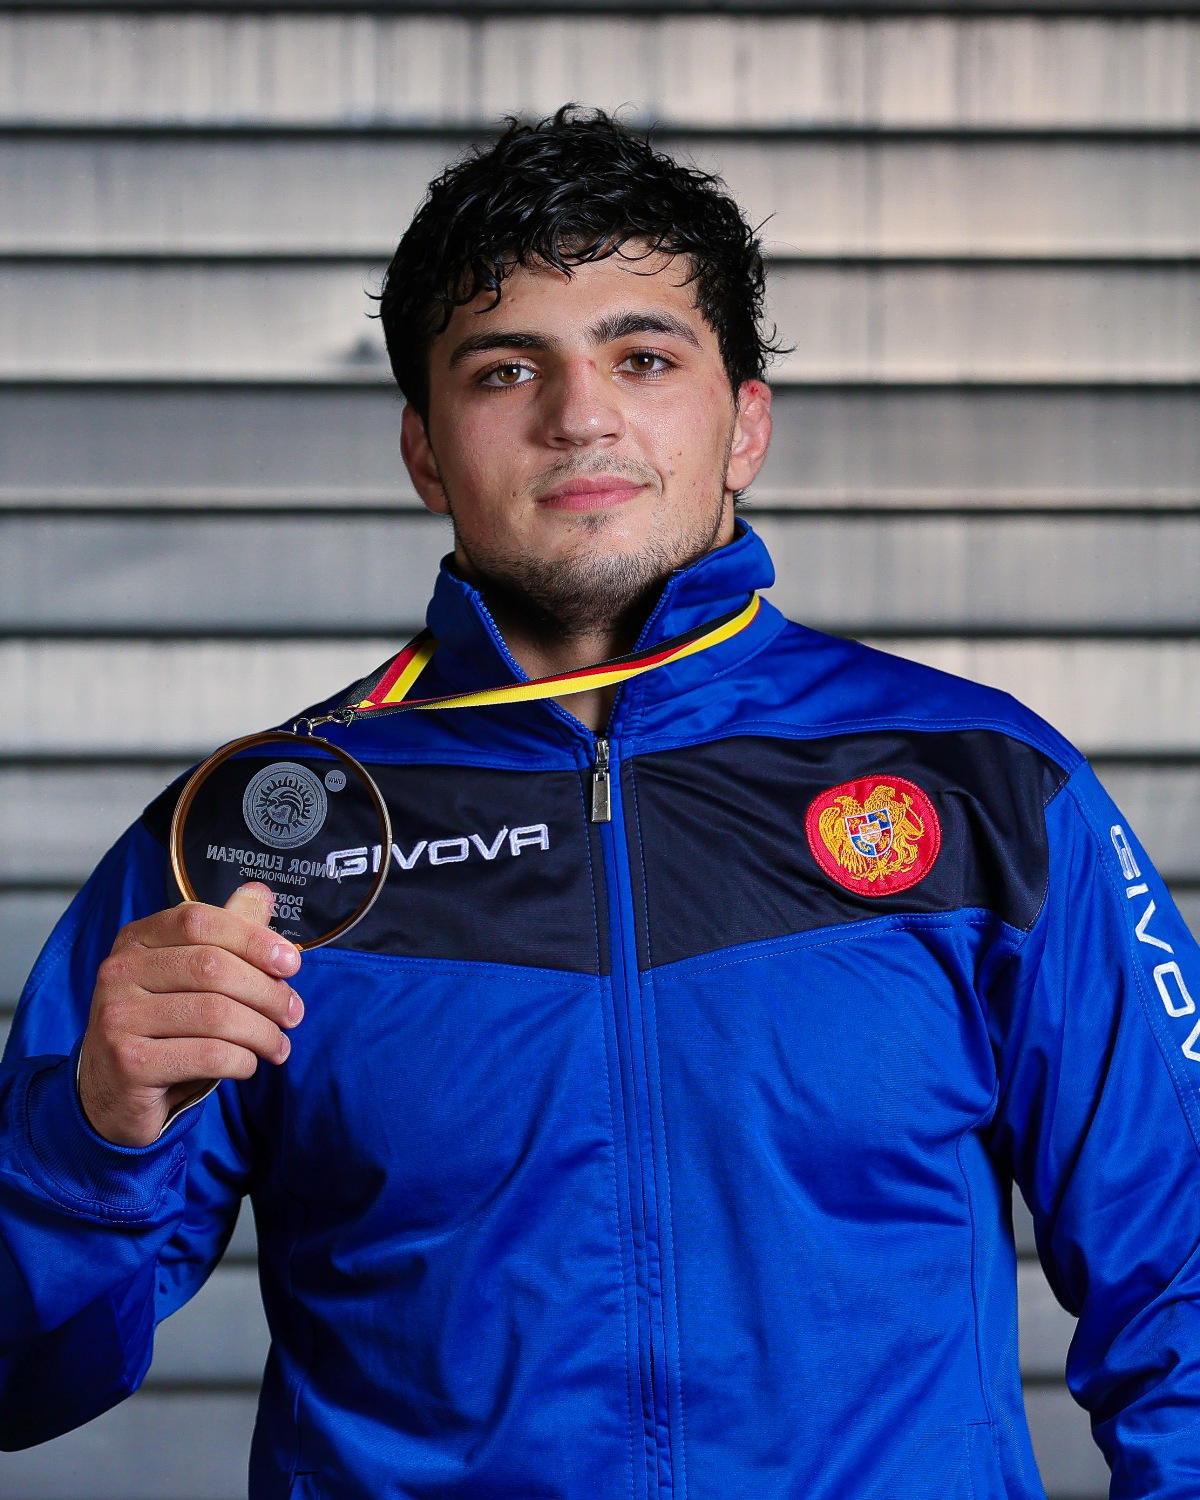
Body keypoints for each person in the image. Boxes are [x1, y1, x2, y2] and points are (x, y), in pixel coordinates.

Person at [2, 106, 1199, 1500]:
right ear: (425, 453)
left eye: (643, 356)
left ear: (745, 424)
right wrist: (87, 1136)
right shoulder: (254, 836)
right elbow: (25, 1382)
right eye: (505, 369)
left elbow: (1180, 1276)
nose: (580, 415)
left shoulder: (986, 785)